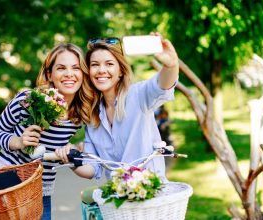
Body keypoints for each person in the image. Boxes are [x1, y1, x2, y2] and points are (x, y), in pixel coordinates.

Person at [0, 43, 95, 220]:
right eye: (61, 68)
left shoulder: (80, 113)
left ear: (83, 74)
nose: (69, 73)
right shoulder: (28, 101)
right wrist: (19, 142)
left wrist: (72, 149)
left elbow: (79, 148)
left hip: (40, 191)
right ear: (49, 74)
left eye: (75, 68)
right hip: (6, 184)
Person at [56, 33, 179, 182]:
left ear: (120, 71)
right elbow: (92, 168)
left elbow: (162, 85)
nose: (101, 70)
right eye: (95, 65)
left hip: (151, 195)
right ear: (89, 72)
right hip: (118, 199)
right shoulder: (93, 117)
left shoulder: (138, 95)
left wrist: (170, 65)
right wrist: (70, 159)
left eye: (109, 64)